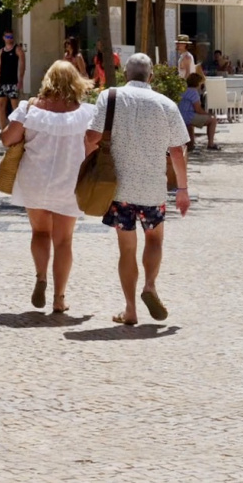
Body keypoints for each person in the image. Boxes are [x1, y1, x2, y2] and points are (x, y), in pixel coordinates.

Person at [85, 54, 191, 326]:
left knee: (126, 249)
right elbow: (178, 151)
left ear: (125, 75)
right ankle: (150, 286)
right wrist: (182, 189)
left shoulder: (110, 97)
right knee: (154, 240)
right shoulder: (165, 104)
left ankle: (130, 309)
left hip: (119, 189)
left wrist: (86, 166)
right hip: (152, 188)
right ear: (151, 76)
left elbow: (92, 138)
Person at [0, 60, 96, 315]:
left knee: (40, 233)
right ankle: (59, 298)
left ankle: (41, 277)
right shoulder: (87, 114)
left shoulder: (30, 109)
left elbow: (7, 139)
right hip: (69, 181)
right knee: (63, 240)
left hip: (35, 181)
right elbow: (93, 147)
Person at [0, 30, 26, 131]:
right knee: (0, 105)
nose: (9, 39)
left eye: (11, 37)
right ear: (4, 38)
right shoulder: (1, 52)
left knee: (15, 106)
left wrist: (20, 80)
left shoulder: (17, 49)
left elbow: (22, 65)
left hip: (13, 82)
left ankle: (15, 130)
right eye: (7, 37)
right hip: (1, 81)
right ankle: (3, 129)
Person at [178, 73, 218, 151]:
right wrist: (209, 114)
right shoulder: (193, 92)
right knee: (213, 120)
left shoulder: (183, 90)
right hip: (188, 116)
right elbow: (198, 109)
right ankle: (211, 144)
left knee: (191, 124)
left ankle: (191, 145)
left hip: (181, 115)